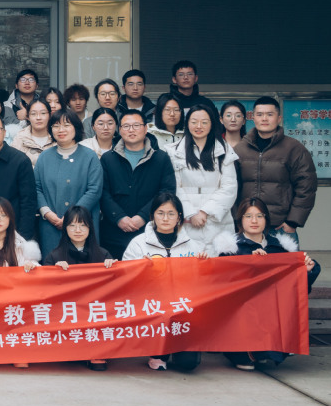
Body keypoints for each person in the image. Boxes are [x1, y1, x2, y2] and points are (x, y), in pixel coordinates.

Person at [215, 197, 320, 371]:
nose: (254, 221)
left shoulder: (280, 248)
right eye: (248, 216)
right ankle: (244, 353)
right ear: (240, 220)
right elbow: (224, 286)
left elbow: (294, 288)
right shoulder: (230, 249)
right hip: (242, 310)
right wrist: (251, 264)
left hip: (270, 308)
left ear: (266, 220)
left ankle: (263, 351)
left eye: (259, 216)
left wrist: (306, 270)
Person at [122, 192, 208, 372]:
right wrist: (139, 268)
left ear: (179, 217)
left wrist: (204, 265)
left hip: (181, 308)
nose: (166, 218)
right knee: (159, 346)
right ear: (152, 215)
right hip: (152, 307)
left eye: (171, 214)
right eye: (160, 213)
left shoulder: (192, 245)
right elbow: (124, 277)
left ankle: (177, 348)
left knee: (188, 363)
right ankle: (157, 351)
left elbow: (203, 282)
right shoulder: (138, 243)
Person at [41, 205, 116, 371]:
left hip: (94, 310)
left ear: (90, 227)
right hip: (67, 311)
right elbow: (45, 290)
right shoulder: (54, 256)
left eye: (83, 225)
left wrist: (114, 270)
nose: (77, 230)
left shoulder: (103, 255)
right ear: (65, 228)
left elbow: (115, 289)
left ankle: (96, 351)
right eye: (72, 225)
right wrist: (54, 273)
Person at [235, 96, 318, 242]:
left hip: (281, 226)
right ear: (253, 118)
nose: (264, 118)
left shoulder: (294, 149)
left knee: (284, 259)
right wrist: (236, 218)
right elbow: (231, 187)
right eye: (259, 114)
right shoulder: (240, 149)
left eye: (270, 114)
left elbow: (306, 187)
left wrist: (293, 221)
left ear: (279, 118)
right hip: (247, 226)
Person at [99, 108, 177, 260]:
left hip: (150, 232)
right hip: (113, 232)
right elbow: (102, 192)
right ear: (120, 130)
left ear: (146, 128)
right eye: (126, 126)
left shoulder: (160, 158)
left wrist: (143, 216)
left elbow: (166, 191)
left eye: (136, 125)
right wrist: (119, 217)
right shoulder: (108, 159)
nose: (131, 130)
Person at [34, 108, 103, 256]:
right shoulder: (44, 157)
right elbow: (36, 188)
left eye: (66, 125)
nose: (61, 130)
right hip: (51, 225)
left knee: (83, 267)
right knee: (53, 266)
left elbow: (94, 190)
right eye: (56, 126)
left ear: (76, 128)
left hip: (83, 225)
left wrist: (72, 217)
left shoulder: (90, 156)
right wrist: (47, 213)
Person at [170, 104, 237, 253]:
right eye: (194, 122)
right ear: (187, 124)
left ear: (212, 124)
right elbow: (174, 187)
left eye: (204, 122)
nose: (199, 126)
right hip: (186, 220)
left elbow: (229, 187)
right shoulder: (174, 151)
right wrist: (191, 213)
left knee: (219, 262)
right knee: (188, 261)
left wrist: (205, 211)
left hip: (217, 220)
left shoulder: (224, 150)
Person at [10, 98, 55, 167]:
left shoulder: (57, 136)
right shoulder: (20, 138)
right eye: (33, 114)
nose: (38, 118)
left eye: (43, 113)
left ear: (49, 115)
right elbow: (13, 164)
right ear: (28, 117)